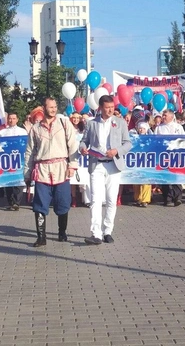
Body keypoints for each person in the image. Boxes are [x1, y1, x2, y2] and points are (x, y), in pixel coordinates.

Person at [23, 97, 79, 247]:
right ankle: (41, 237)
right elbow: (29, 152)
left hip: (61, 168)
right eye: (50, 107)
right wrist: (27, 173)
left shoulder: (64, 123)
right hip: (42, 170)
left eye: (55, 107)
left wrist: (72, 165)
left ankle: (62, 232)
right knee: (40, 204)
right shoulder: (35, 129)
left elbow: (73, 145)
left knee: (63, 202)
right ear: (44, 107)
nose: (53, 109)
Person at [79, 95, 132, 245]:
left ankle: (107, 231)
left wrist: (116, 151)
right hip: (97, 164)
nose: (110, 110)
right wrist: (82, 148)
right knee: (95, 199)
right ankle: (95, 233)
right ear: (100, 108)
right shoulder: (91, 124)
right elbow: (84, 141)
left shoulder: (120, 123)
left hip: (113, 164)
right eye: (107, 107)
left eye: (112, 107)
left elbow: (128, 144)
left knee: (111, 199)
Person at [0, 112, 27, 210]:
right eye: (10, 118)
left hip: (19, 160)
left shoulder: (23, 131)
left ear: (17, 119)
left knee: (18, 181)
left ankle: (16, 202)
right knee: (8, 181)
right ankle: (10, 202)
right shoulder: (2, 132)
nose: (11, 120)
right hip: (7, 160)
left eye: (14, 118)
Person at [154, 109, 185, 206]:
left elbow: (184, 139)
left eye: (165, 115)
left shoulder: (178, 127)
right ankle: (167, 197)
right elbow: (155, 141)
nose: (163, 117)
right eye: (163, 115)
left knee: (176, 177)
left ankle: (177, 197)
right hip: (164, 156)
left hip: (175, 155)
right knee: (165, 177)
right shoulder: (159, 128)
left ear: (171, 116)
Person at [132, 121, 152, 207]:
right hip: (136, 161)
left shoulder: (150, 138)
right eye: (140, 128)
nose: (141, 130)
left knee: (146, 181)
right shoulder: (134, 137)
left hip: (147, 161)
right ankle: (138, 198)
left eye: (143, 128)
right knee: (136, 180)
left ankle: (145, 199)